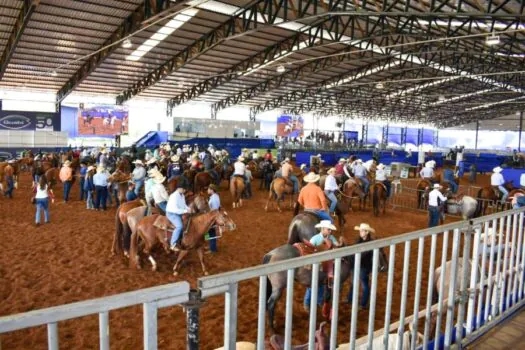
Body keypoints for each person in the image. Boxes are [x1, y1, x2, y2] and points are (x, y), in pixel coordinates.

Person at [304, 220, 343, 309]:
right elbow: (309, 253)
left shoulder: (331, 237)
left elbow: (337, 246)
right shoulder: (314, 239)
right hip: (316, 265)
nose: (330, 231)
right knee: (312, 285)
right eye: (328, 229)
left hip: (326, 264)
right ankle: (307, 302)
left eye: (330, 229)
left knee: (322, 284)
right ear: (323, 229)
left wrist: (339, 244)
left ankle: (319, 301)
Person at [347, 223, 377, 309]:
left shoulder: (370, 243)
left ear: (367, 232)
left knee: (364, 285)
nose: (360, 232)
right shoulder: (358, 240)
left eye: (362, 231)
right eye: (360, 230)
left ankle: (363, 303)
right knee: (354, 282)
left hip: (364, 266)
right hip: (356, 264)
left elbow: (362, 255)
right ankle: (350, 299)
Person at [167, 184, 191, 251]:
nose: (185, 190)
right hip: (172, 214)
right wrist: (185, 211)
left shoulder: (182, 195)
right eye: (184, 189)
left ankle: (181, 239)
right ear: (179, 188)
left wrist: (188, 208)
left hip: (179, 212)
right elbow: (175, 209)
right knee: (179, 226)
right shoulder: (174, 196)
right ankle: (172, 244)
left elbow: (184, 205)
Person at [207, 184, 221, 253]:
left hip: (212, 218)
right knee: (209, 232)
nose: (207, 190)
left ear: (212, 190)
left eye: (208, 189)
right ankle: (210, 246)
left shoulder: (214, 198)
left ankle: (212, 249)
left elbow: (215, 210)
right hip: (212, 217)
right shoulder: (215, 196)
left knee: (211, 233)